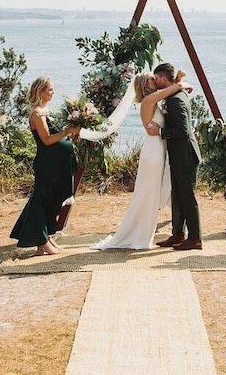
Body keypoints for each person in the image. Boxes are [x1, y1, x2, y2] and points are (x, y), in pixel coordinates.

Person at [92, 71, 193, 250]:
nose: (155, 80)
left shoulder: (154, 99)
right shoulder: (149, 100)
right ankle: (139, 235)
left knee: (151, 194)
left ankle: (146, 232)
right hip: (154, 153)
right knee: (148, 195)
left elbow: (170, 90)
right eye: (152, 79)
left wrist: (178, 80)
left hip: (158, 149)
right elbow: (173, 88)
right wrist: (181, 83)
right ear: (145, 85)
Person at [11, 77, 80, 255]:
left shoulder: (46, 111)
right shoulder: (37, 113)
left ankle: (46, 237)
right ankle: (41, 241)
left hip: (57, 164)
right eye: (50, 89)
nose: (53, 92)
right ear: (41, 91)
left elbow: (57, 135)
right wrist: (67, 131)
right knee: (41, 201)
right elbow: (47, 140)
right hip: (47, 165)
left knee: (51, 201)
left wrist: (70, 134)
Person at [145, 63, 203, 250]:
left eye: (156, 78)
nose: (155, 81)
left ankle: (195, 238)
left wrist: (160, 132)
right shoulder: (174, 95)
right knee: (177, 196)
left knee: (187, 197)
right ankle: (178, 234)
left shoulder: (175, 100)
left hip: (185, 155)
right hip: (179, 155)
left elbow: (183, 131)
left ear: (163, 79)